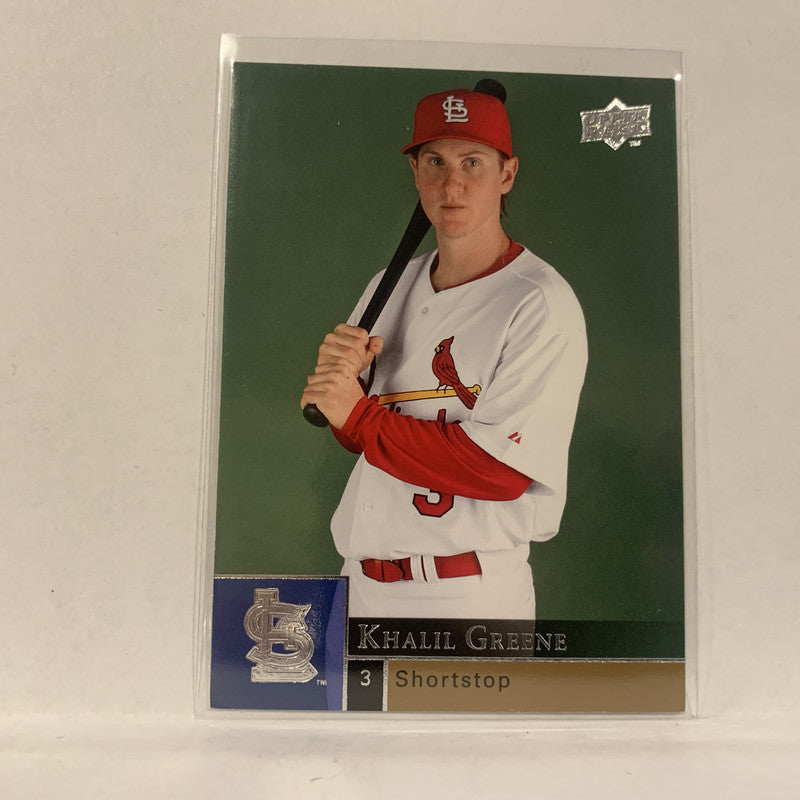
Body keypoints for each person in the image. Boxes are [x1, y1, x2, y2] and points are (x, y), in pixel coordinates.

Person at [300, 86, 587, 620]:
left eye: (472, 162)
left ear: (507, 174)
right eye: (435, 162)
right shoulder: (388, 285)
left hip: (466, 593)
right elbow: (367, 437)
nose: (452, 184)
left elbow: (499, 471)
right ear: (415, 172)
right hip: (360, 584)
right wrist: (341, 396)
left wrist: (357, 417)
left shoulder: (538, 301)